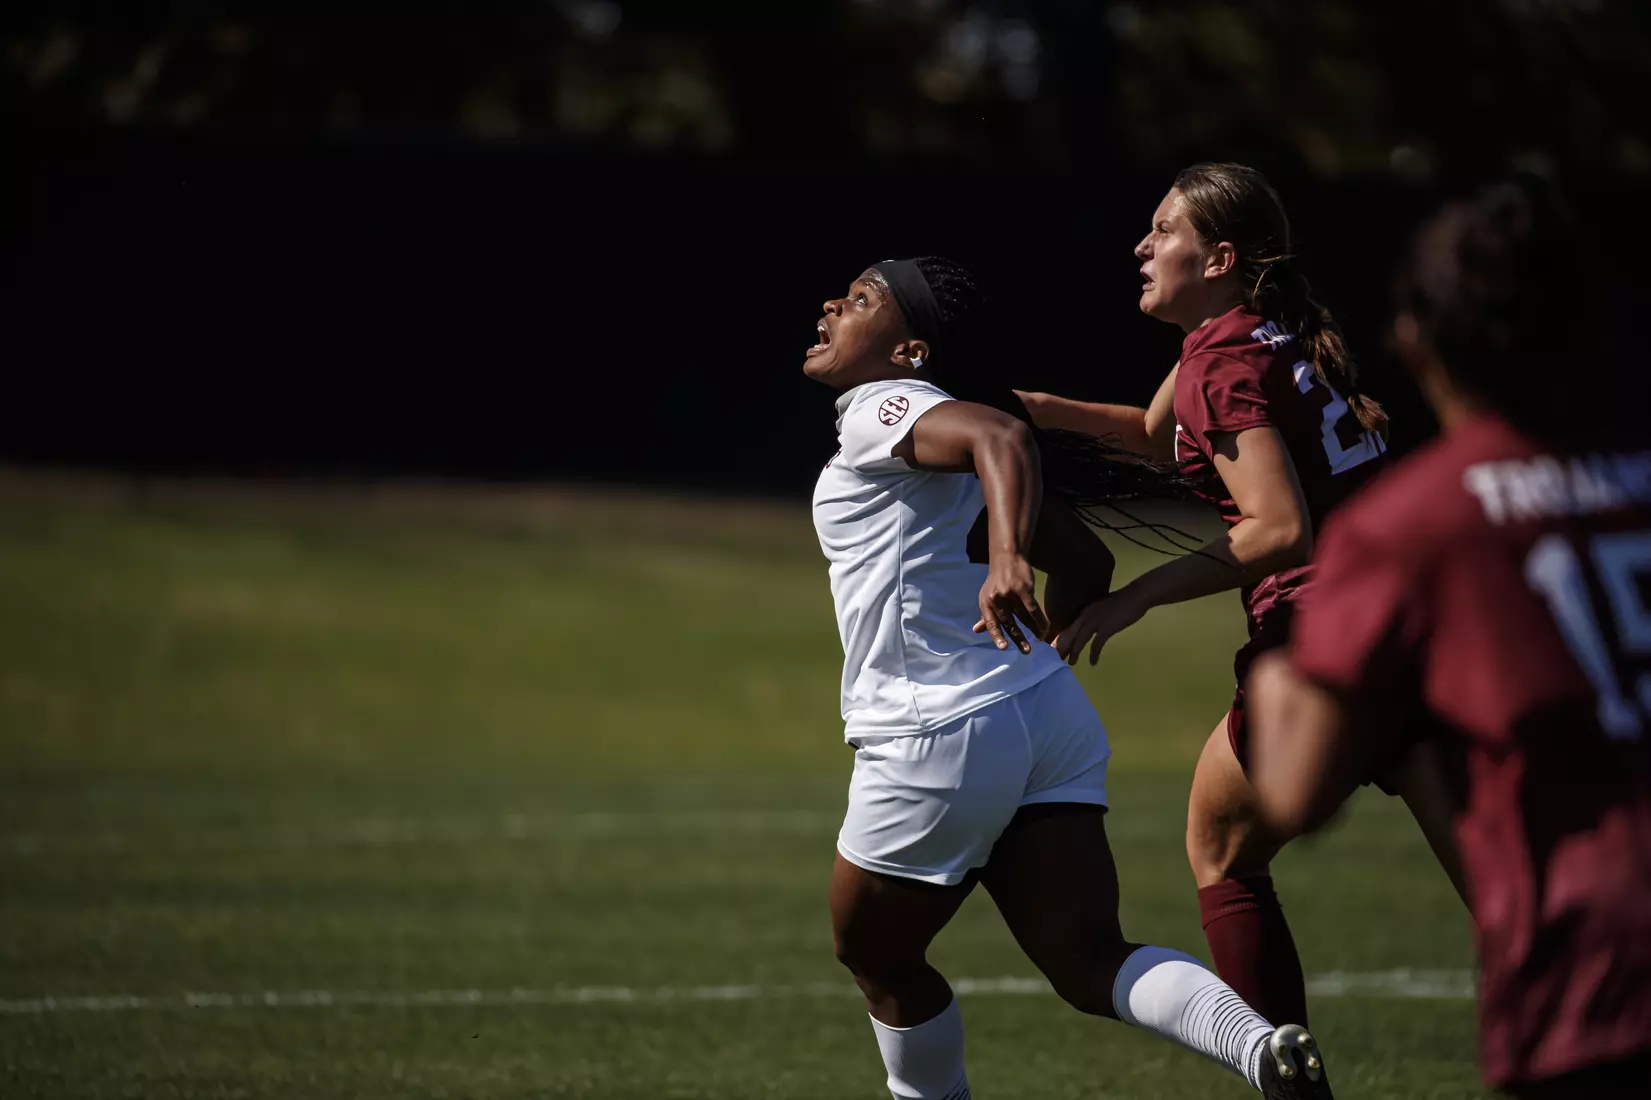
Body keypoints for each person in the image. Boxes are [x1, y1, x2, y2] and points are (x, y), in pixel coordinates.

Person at [806, 254, 1335, 1098]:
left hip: (934, 731)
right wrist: (1030, 657)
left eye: (862, 297)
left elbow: (1002, 435)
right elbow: (1087, 559)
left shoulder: (883, 408)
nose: (833, 302)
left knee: (875, 954)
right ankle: (1257, 1046)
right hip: (1041, 716)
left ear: (909, 354)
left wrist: (1005, 561)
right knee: (1090, 960)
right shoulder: (948, 450)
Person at [1246, 178, 1651, 1098]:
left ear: (1414, 340)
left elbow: (1296, 792)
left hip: (1596, 973)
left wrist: (1280, 668)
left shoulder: (1415, 524)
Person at [1017, 163, 1399, 1029]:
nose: (1141, 247)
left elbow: (1276, 531)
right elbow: (1159, 438)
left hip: (1319, 639)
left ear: (1218, 257)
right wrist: (1030, 407)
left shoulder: (1217, 360)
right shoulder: (1261, 335)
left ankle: (1282, 1082)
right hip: (1405, 627)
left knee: (1220, 855)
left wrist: (1133, 597)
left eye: (1164, 231)